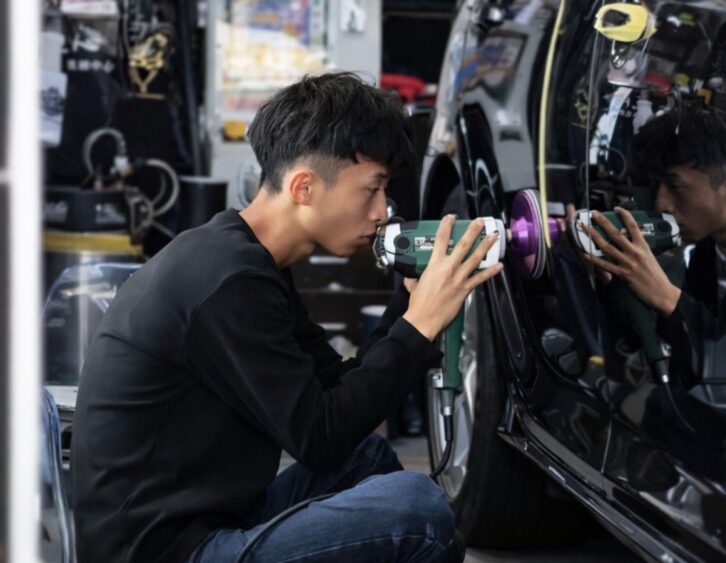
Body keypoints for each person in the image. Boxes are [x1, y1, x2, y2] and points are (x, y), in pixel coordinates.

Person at [71, 72, 503, 562]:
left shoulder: (249, 262)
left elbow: (334, 391)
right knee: (418, 511)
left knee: (367, 459)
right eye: (372, 189)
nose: (383, 211)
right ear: (304, 187)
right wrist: (418, 328)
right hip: (168, 552)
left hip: (216, 519)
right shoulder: (229, 282)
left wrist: (410, 305)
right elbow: (318, 438)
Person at [581, 103, 726, 410]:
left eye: (675, 186)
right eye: (658, 186)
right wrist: (618, 284)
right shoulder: (710, 249)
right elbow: (689, 360)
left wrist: (667, 297)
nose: (662, 204)